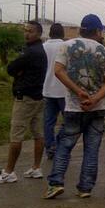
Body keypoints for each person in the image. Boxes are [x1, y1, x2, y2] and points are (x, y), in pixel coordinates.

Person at [45, 14, 105, 199]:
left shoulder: (66, 46)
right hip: (97, 109)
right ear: (98, 31)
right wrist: (94, 99)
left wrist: (78, 91)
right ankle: (85, 187)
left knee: (64, 147)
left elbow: (58, 71)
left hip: (73, 107)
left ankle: (56, 183)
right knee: (91, 150)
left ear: (81, 30)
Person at [0, 20, 47, 184]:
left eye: (30, 31)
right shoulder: (40, 50)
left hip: (25, 98)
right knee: (38, 134)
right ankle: (36, 168)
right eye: (25, 30)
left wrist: (19, 72)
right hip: (38, 96)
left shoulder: (29, 53)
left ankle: (9, 172)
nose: (26, 33)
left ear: (38, 33)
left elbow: (10, 69)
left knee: (16, 135)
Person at [42, 22, 66, 160]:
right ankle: (59, 142)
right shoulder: (65, 47)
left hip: (47, 90)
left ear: (50, 33)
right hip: (63, 90)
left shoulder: (43, 47)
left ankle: (50, 147)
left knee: (48, 122)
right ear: (62, 33)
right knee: (68, 121)